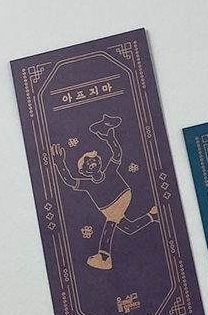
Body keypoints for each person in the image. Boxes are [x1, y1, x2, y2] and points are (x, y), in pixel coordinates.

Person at [50, 114, 157, 270]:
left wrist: (110, 138)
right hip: (108, 209)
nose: (91, 163)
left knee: (110, 222)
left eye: (92, 160)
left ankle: (104, 257)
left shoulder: (110, 170)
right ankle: (153, 215)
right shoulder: (87, 184)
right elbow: (70, 180)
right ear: (83, 171)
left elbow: (117, 154)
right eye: (87, 163)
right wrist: (60, 165)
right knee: (128, 228)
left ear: (99, 161)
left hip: (122, 196)